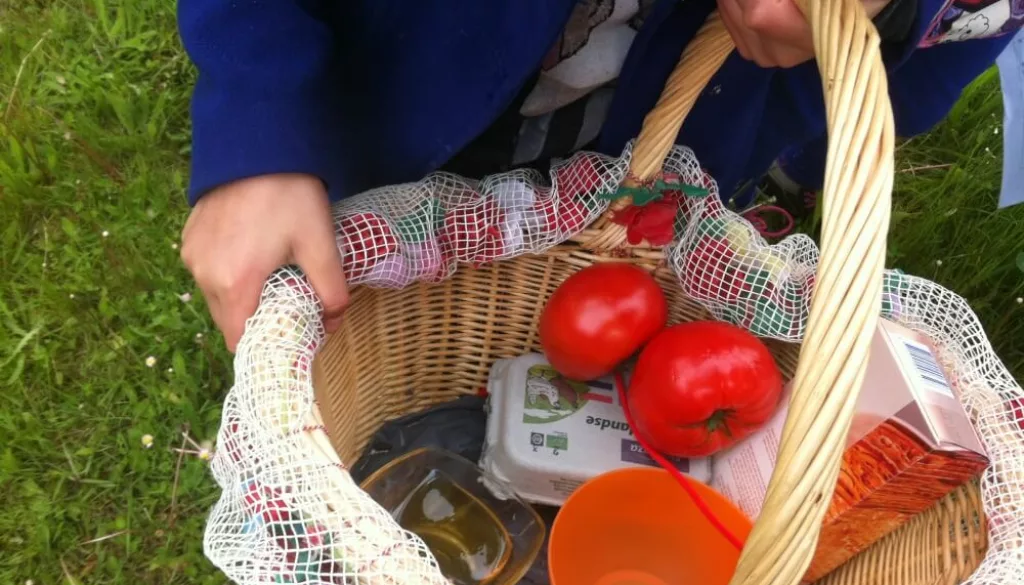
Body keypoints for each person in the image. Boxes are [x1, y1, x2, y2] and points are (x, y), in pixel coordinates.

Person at [177, 0, 1019, 352]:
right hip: (399, 92)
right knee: (360, 349)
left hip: (679, 126)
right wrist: (261, 116)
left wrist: (910, 8)